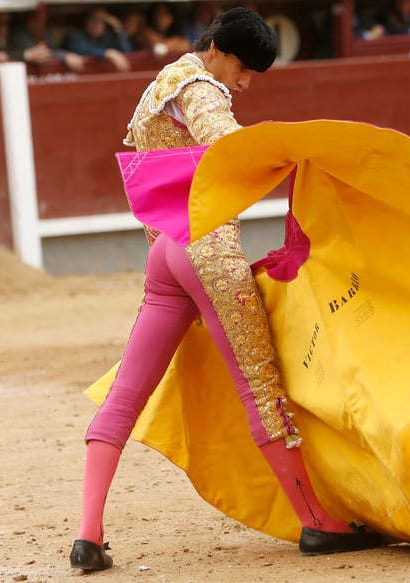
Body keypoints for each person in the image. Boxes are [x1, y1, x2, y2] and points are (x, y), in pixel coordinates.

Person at [69, 7, 381, 572]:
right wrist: (296, 154)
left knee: (124, 399)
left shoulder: (162, 83)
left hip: (164, 255)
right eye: (242, 68)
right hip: (206, 250)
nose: (244, 82)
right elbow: (227, 144)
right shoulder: (200, 86)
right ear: (216, 50)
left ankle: (88, 535)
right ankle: (317, 523)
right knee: (261, 387)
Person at [62, 8, 132, 72]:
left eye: (101, 21)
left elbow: (127, 51)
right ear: (86, 22)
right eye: (93, 20)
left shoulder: (106, 38)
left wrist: (117, 26)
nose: (96, 24)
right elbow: (82, 50)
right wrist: (107, 53)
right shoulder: (74, 35)